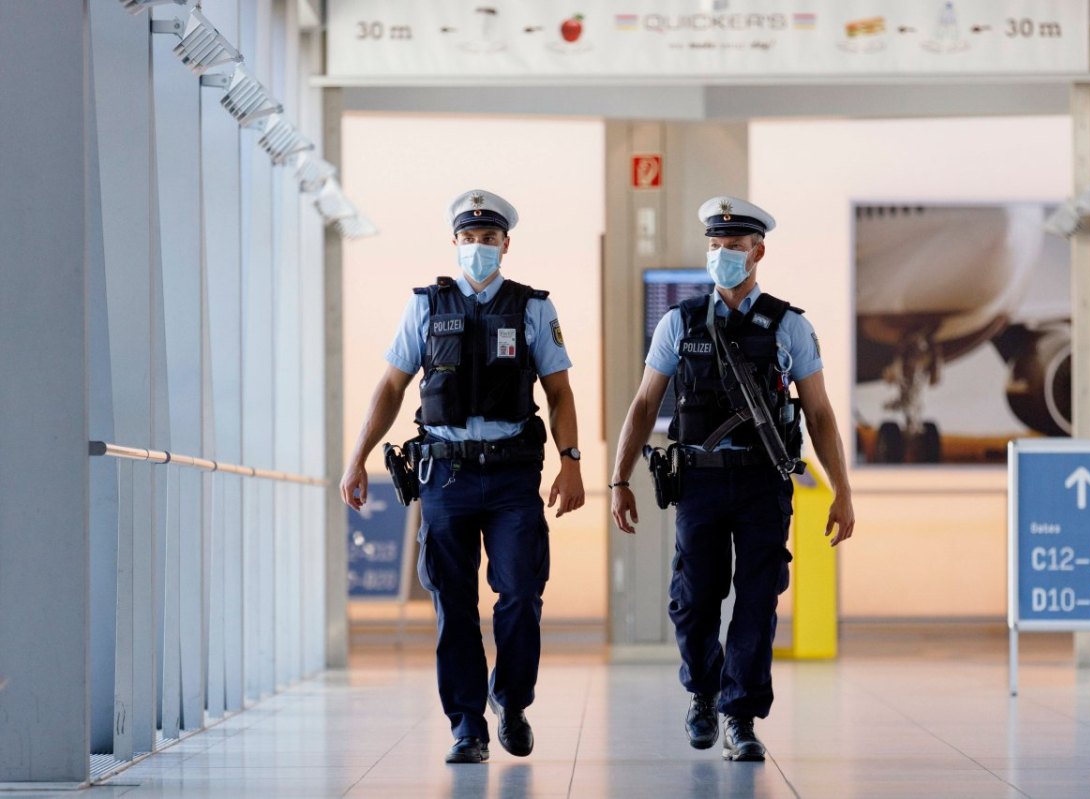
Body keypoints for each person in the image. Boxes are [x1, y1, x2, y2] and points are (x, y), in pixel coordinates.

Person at [341, 189, 586, 764]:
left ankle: (512, 700)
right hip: (445, 477)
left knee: (521, 593)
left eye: (489, 238)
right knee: (453, 603)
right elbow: (392, 387)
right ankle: (467, 727)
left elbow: (559, 392)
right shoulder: (425, 306)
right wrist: (356, 458)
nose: (479, 247)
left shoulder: (533, 309)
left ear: (506, 244)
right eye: (469, 238)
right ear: (456, 242)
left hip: (510, 479)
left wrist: (572, 462)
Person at [609, 196, 855, 762]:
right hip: (698, 482)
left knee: (757, 600)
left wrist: (842, 489)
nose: (723, 257)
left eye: (734, 248)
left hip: (763, 484)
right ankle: (703, 690)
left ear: (758, 252)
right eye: (715, 248)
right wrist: (618, 479)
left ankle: (739, 716)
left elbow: (818, 414)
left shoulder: (789, 325)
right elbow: (646, 402)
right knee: (695, 599)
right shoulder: (679, 322)